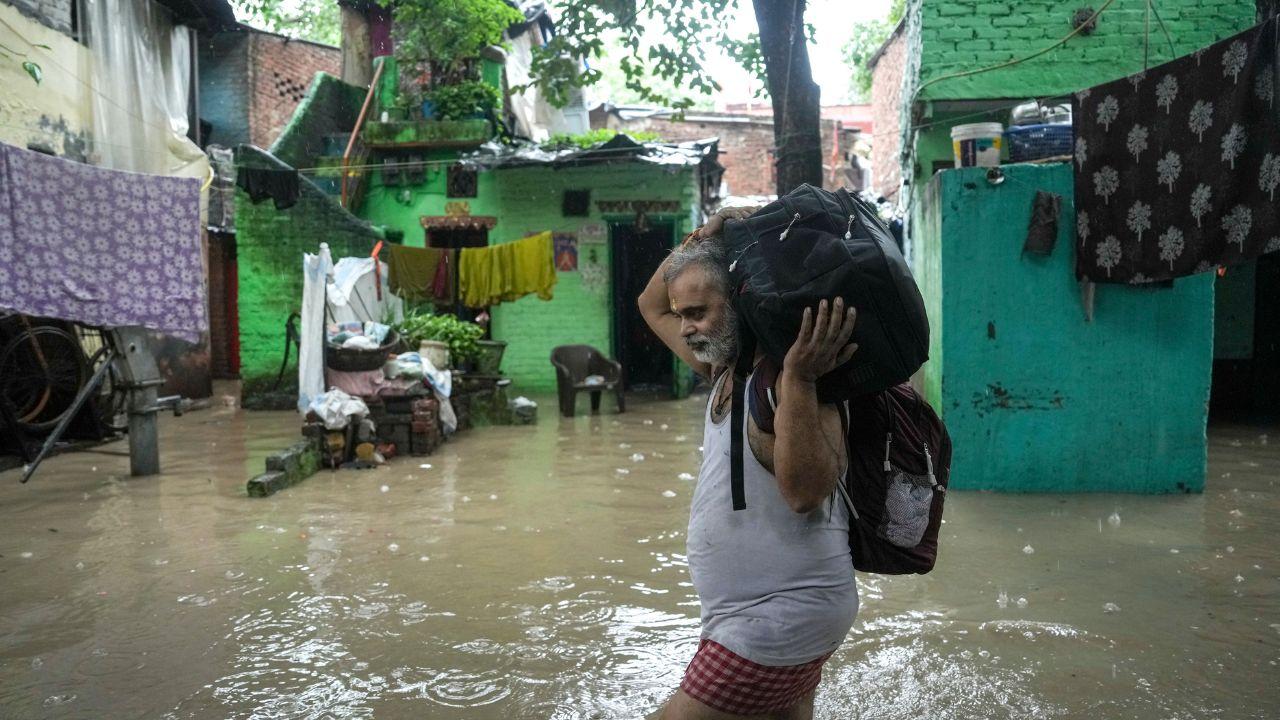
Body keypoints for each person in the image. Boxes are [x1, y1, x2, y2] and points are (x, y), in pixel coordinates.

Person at [638, 208, 860, 720]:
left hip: (775, 620)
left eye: (698, 312)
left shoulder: (790, 379)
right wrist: (706, 235)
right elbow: (651, 306)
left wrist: (802, 382)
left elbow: (807, 493)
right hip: (756, 618)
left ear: (740, 301)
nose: (686, 326)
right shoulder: (725, 368)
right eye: (684, 314)